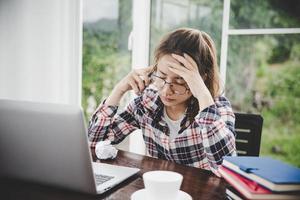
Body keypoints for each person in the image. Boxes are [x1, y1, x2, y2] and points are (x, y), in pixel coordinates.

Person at [88, 28, 236, 175]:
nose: (166, 90)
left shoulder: (218, 108)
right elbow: (95, 142)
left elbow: (225, 169)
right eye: (162, 76)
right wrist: (119, 90)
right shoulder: (148, 101)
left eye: (179, 80)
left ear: (200, 78)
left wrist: (203, 94)